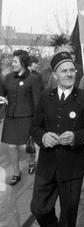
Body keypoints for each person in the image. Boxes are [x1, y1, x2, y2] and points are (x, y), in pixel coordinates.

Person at [30, 51, 84, 227]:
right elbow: (34, 127)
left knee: (69, 215)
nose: (69, 74)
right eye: (64, 71)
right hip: (48, 164)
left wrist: (77, 137)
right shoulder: (45, 97)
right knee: (38, 207)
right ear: (55, 74)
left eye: (72, 70)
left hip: (72, 165)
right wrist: (43, 137)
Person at [0, 50, 42, 184]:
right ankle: (16, 173)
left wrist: (37, 120)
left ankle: (31, 162)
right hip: (11, 116)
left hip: (27, 117)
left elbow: (37, 101)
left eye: (15, 61)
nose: (12, 64)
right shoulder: (8, 78)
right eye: (12, 61)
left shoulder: (33, 79)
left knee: (27, 145)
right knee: (12, 146)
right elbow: (3, 92)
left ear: (23, 63)